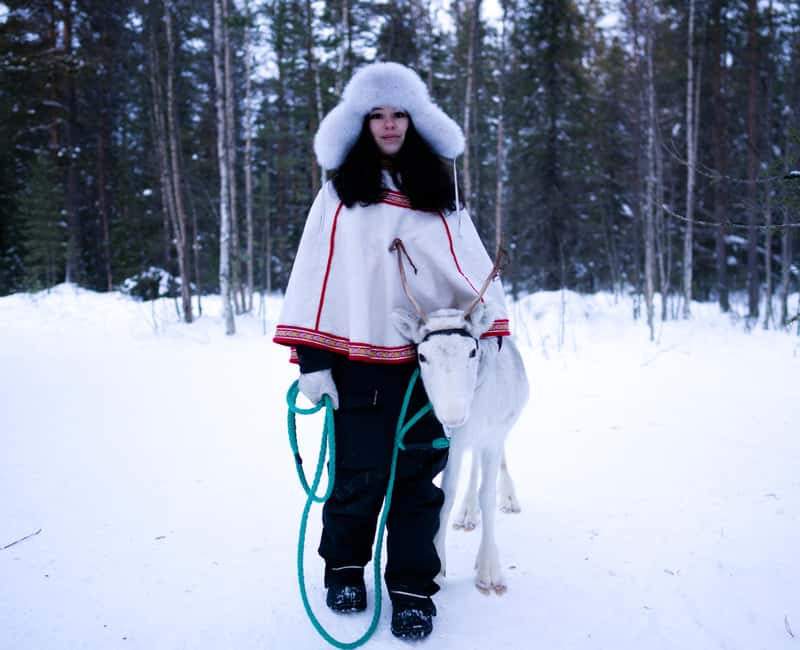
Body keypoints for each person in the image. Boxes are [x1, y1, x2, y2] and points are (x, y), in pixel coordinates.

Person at [274, 62, 510, 641]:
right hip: (356, 364)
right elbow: (316, 276)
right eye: (376, 115)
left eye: (398, 114)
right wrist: (313, 361)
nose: (387, 125)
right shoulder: (338, 196)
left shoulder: (439, 194)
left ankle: (411, 587)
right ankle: (345, 568)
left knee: (417, 483)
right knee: (357, 474)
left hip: (427, 370)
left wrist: (487, 334)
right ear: (360, 124)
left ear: (415, 121)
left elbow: (471, 270)